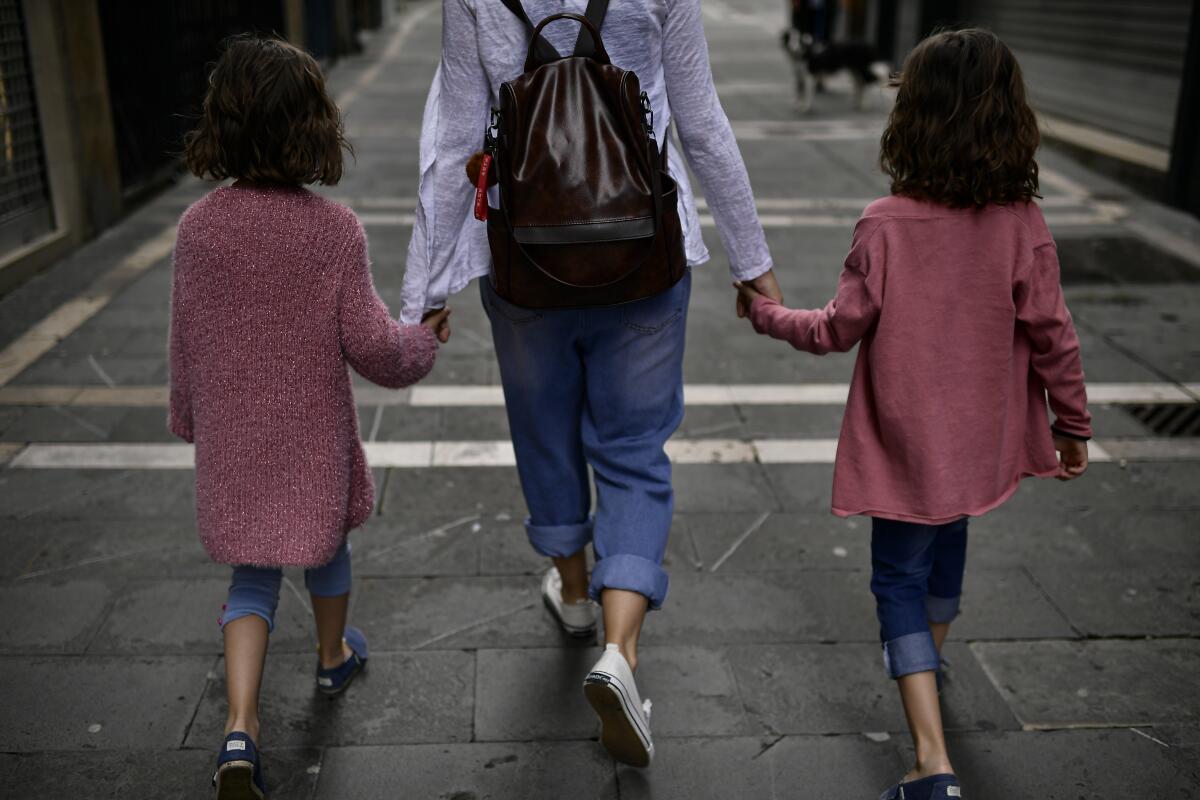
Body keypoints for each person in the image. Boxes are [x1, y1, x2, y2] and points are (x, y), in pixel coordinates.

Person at [402, 0, 777, 767]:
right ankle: (621, 649)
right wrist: (750, 259)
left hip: (525, 257)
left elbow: (454, 139)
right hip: (641, 250)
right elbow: (700, 120)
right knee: (635, 451)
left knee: (544, 429)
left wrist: (424, 290)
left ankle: (574, 592)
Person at [735, 29, 1091, 800]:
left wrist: (767, 314)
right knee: (949, 537)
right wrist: (1073, 424)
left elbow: (836, 329)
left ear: (914, 117)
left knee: (897, 579)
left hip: (904, 444)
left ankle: (932, 764)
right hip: (979, 442)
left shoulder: (886, 222)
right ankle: (928, 662)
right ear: (1008, 121)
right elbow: (1053, 332)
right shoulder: (1021, 221)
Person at [169, 35, 450, 799]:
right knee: (326, 543)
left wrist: (188, 414)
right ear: (313, 128)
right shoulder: (333, 231)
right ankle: (331, 658)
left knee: (250, 578)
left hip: (234, 437)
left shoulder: (198, 230)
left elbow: (184, 334)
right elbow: (371, 346)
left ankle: (239, 724)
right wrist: (421, 341)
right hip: (310, 441)